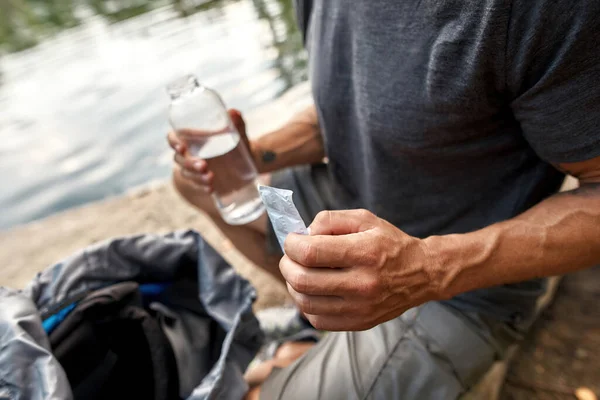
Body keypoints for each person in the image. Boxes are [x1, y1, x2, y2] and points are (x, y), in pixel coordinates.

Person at [168, 0, 600, 398]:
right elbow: (355, 101)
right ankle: (322, 326)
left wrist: (428, 268)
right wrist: (250, 155)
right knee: (194, 183)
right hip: (355, 197)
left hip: (465, 290)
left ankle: (325, 343)